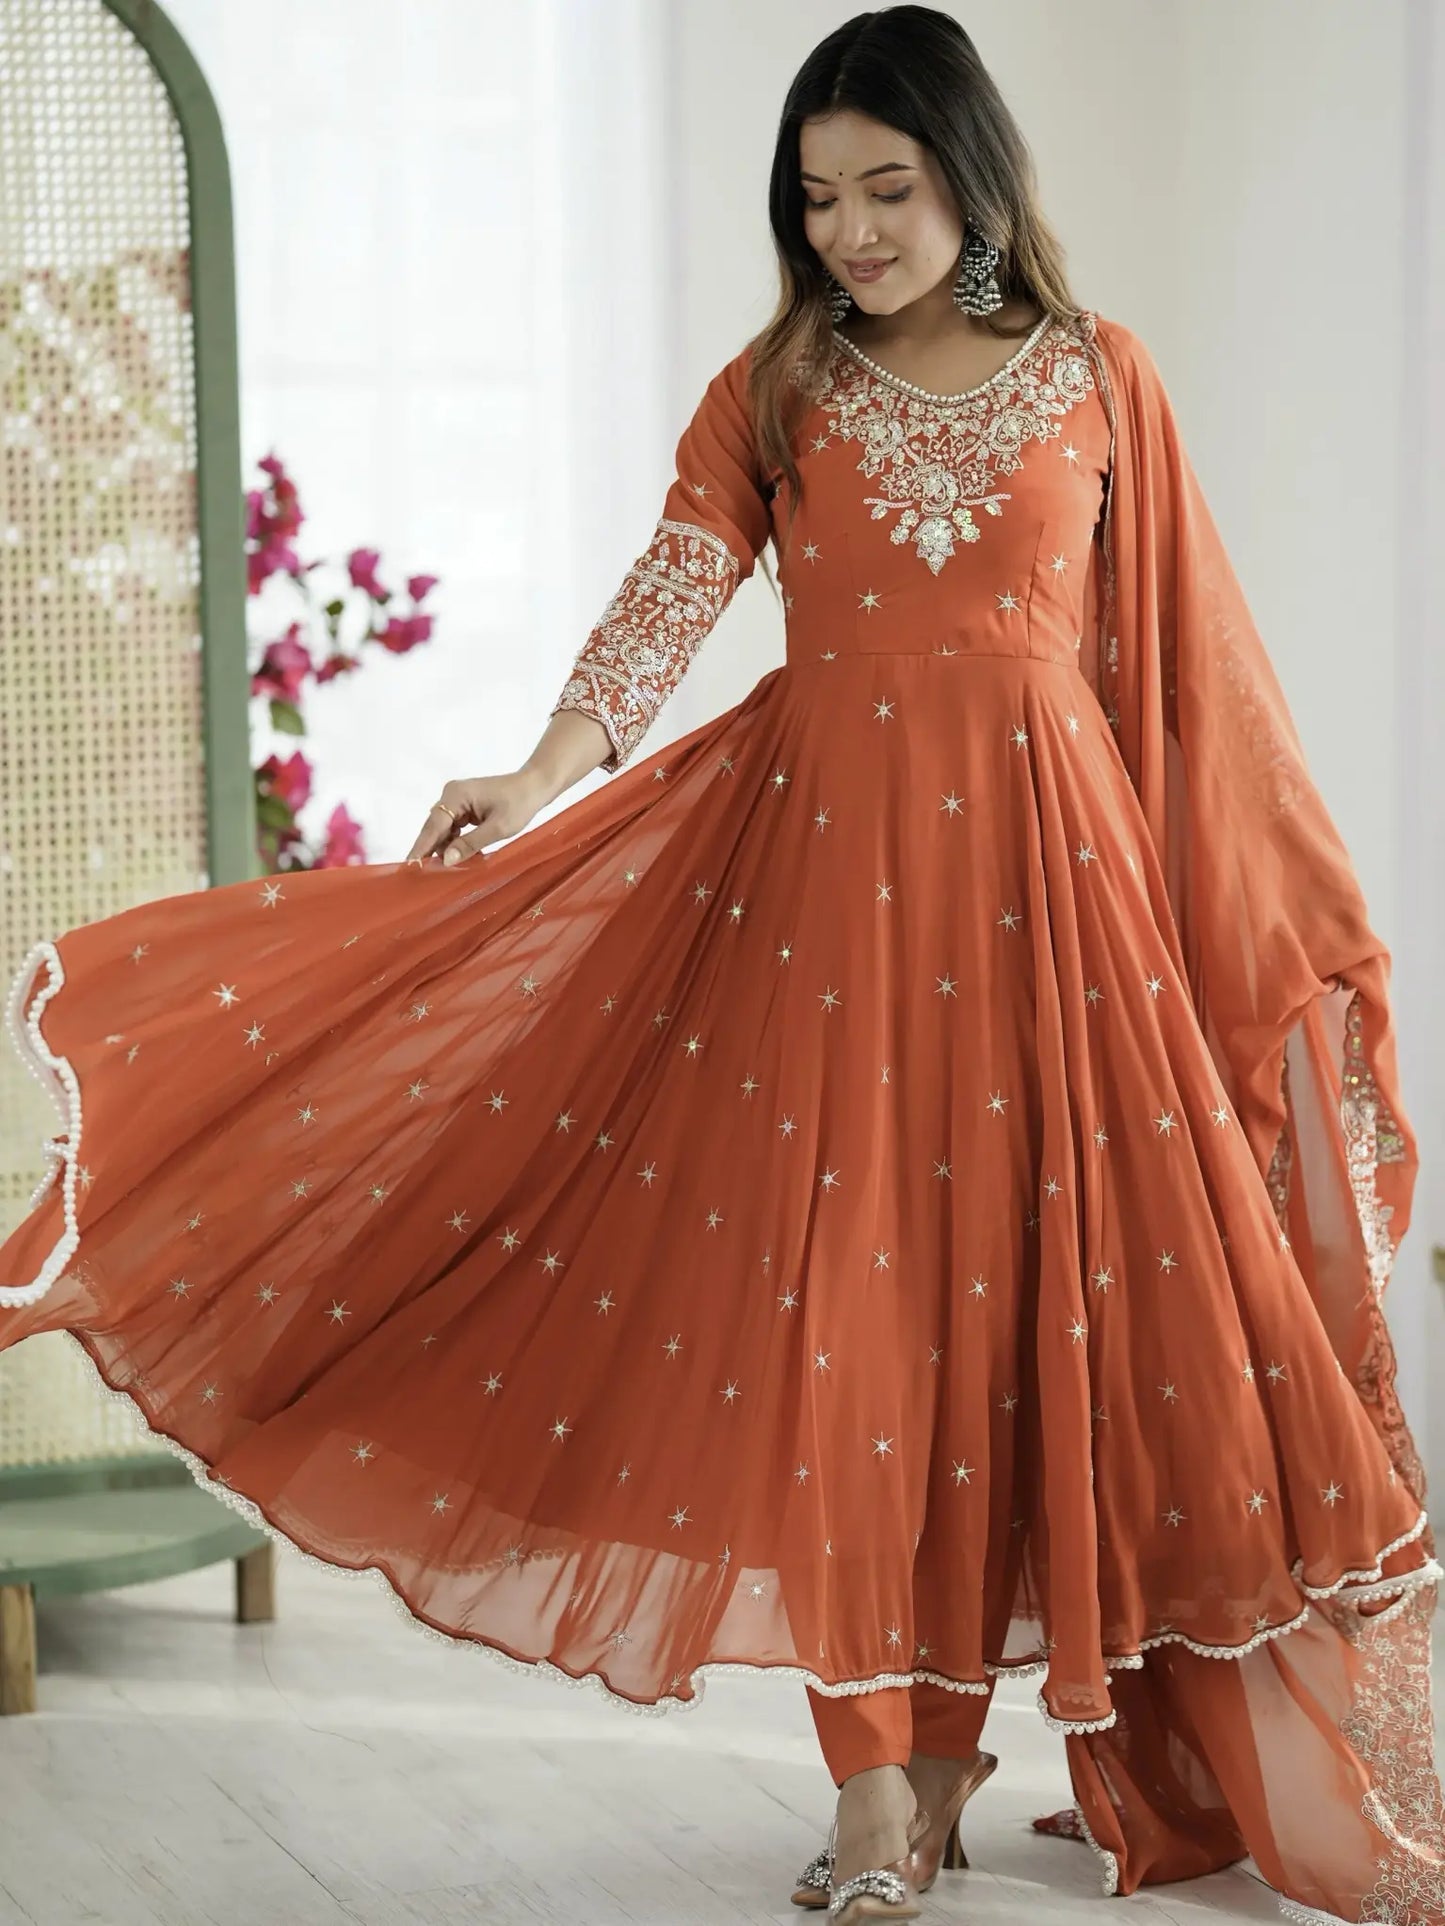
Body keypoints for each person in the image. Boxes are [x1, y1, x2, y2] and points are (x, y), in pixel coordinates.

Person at [2, 6, 1441, 1920]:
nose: (848, 230)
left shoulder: (1103, 380)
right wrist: (537, 769)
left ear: (974, 174)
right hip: (825, 914)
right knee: (851, 1320)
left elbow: (1180, 682)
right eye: (817, 197)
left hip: (1059, 919)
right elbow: (670, 591)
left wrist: (1242, 928)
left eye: (886, 188)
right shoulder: (777, 391)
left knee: (1021, 1330)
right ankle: (875, 1789)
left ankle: (944, 1760)